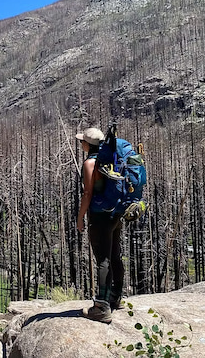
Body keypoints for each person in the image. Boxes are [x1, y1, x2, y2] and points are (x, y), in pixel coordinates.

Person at [75, 127, 124, 324]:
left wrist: (80, 218)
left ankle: (102, 307)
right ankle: (116, 298)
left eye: (82, 142)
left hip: (99, 216)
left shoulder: (90, 163)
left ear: (88, 145)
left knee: (102, 259)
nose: (81, 144)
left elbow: (87, 194)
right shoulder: (112, 159)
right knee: (114, 255)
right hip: (116, 213)